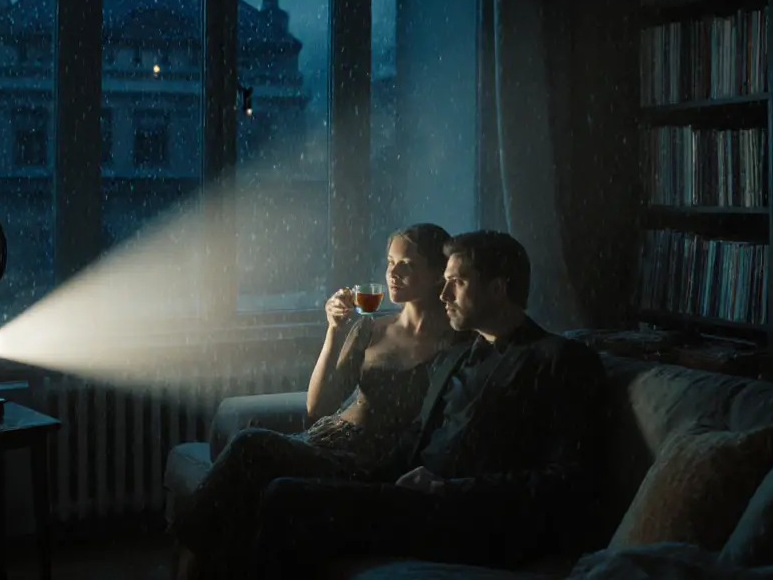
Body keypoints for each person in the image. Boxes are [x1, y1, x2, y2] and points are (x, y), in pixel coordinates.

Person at [250, 230, 610, 577]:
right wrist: (365, 483)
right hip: (412, 498)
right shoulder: (456, 356)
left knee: (286, 500)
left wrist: (449, 489)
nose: (444, 294)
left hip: (469, 514)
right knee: (275, 480)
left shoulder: (560, 359)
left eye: (458, 283)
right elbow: (415, 436)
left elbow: (568, 480)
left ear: (498, 289)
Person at [171, 223, 470, 580]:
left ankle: (192, 564)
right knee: (247, 476)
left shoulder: (458, 344)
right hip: (324, 439)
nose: (393, 273)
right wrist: (334, 331)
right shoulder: (371, 327)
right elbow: (319, 407)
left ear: (438, 275)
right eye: (390, 262)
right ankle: (198, 566)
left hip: (365, 461)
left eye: (407, 265)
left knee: (251, 446)